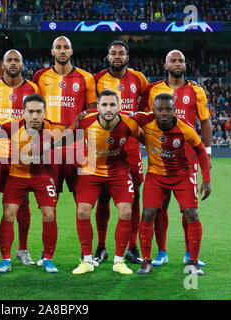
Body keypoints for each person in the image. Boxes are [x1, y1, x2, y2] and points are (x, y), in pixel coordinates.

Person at [139, 50, 212, 267]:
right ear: (165, 65)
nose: (177, 63)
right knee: (159, 207)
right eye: (173, 60)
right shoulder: (152, 90)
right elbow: (142, 120)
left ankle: (190, 253)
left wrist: (207, 153)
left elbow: (205, 122)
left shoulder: (196, 91)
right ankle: (161, 252)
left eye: (181, 60)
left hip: (187, 160)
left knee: (188, 208)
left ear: (185, 64)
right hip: (159, 158)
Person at [32, 36, 96, 264]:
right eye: (58, 47)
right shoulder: (40, 77)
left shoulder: (86, 78)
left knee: (83, 203)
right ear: (52, 51)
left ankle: (86, 254)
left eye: (66, 46)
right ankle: (47, 255)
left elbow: (91, 113)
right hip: (49, 146)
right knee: (49, 205)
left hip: (77, 145)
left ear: (71, 50)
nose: (62, 50)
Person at [64, 90, 139, 275]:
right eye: (104, 105)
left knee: (126, 211)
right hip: (91, 170)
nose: (108, 109)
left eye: (112, 104)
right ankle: (87, 260)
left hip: (118, 171)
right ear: (97, 107)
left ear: (118, 106)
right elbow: (66, 137)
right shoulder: (85, 121)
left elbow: (146, 137)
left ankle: (119, 261)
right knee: (82, 211)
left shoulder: (129, 122)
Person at [0, 94, 65, 274]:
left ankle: (48, 259)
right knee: (8, 213)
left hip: (42, 176)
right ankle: (5, 259)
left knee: (49, 214)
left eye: (38, 112)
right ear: (23, 113)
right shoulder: (11, 126)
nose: (34, 116)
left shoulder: (54, 128)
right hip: (17, 175)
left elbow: (76, 132)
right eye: (30, 111)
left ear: (44, 112)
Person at [0, 49, 40, 265]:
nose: (13, 63)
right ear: (2, 64)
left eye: (17, 60)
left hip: (22, 156)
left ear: (22, 64)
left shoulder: (33, 88)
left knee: (23, 203)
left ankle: (22, 250)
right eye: (9, 60)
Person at [93, 40, 148, 265]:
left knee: (133, 197)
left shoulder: (139, 79)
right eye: (113, 53)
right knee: (103, 196)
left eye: (121, 53)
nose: (117, 56)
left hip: (131, 145)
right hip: (105, 145)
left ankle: (132, 247)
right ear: (107, 56)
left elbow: (145, 107)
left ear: (127, 56)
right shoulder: (96, 80)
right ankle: (101, 247)